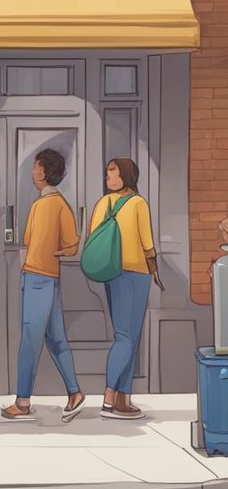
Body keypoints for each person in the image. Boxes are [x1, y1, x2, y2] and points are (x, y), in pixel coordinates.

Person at [2, 149, 84, 422]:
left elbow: (29, 237)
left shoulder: (46, 204)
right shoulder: (55, 203)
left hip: (37, 278)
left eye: (37, 167)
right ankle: (75, 393)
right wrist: (56, 252)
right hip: (48, 277)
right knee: (56, 338)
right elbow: (71, 243)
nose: (33, 172)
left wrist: (48, 252)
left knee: (29, 339)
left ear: (45, 171)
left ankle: (22, 401)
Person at [89, 157, 161, 421]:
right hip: (136, 273)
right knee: (126, 336)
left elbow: (94, 236)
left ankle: (124, 399)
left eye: (113, 174)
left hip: (111, 273)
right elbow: (147, 242)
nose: (108, 178)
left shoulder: (102, 204)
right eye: (107, 173)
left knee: (128, 336)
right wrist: (154, 266)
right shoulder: (138, 203)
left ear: (126, 176)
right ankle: (110, 395)